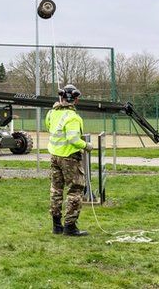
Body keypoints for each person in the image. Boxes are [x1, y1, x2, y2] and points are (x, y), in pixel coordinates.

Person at [45, 84, 92, 237]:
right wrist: (86, 146)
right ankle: (70, 227)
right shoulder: (73, 117)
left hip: (54, 156)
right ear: (76, 100)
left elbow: (48, 127)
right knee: (75, 190)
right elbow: (73, 139)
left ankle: (56, 225)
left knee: (56, 190)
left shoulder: (52, 113)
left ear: (61, 97)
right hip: (70, 158)